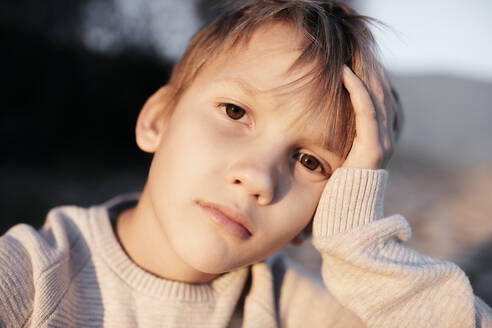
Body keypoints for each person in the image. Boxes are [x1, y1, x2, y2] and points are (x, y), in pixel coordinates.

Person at [0, 1, 490, 327]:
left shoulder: (301, 309)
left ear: (319, 217)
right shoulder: (33, 275)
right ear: (157, 119)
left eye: (309, 161)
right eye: (235, 112)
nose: (257, 178)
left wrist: (363, 250)